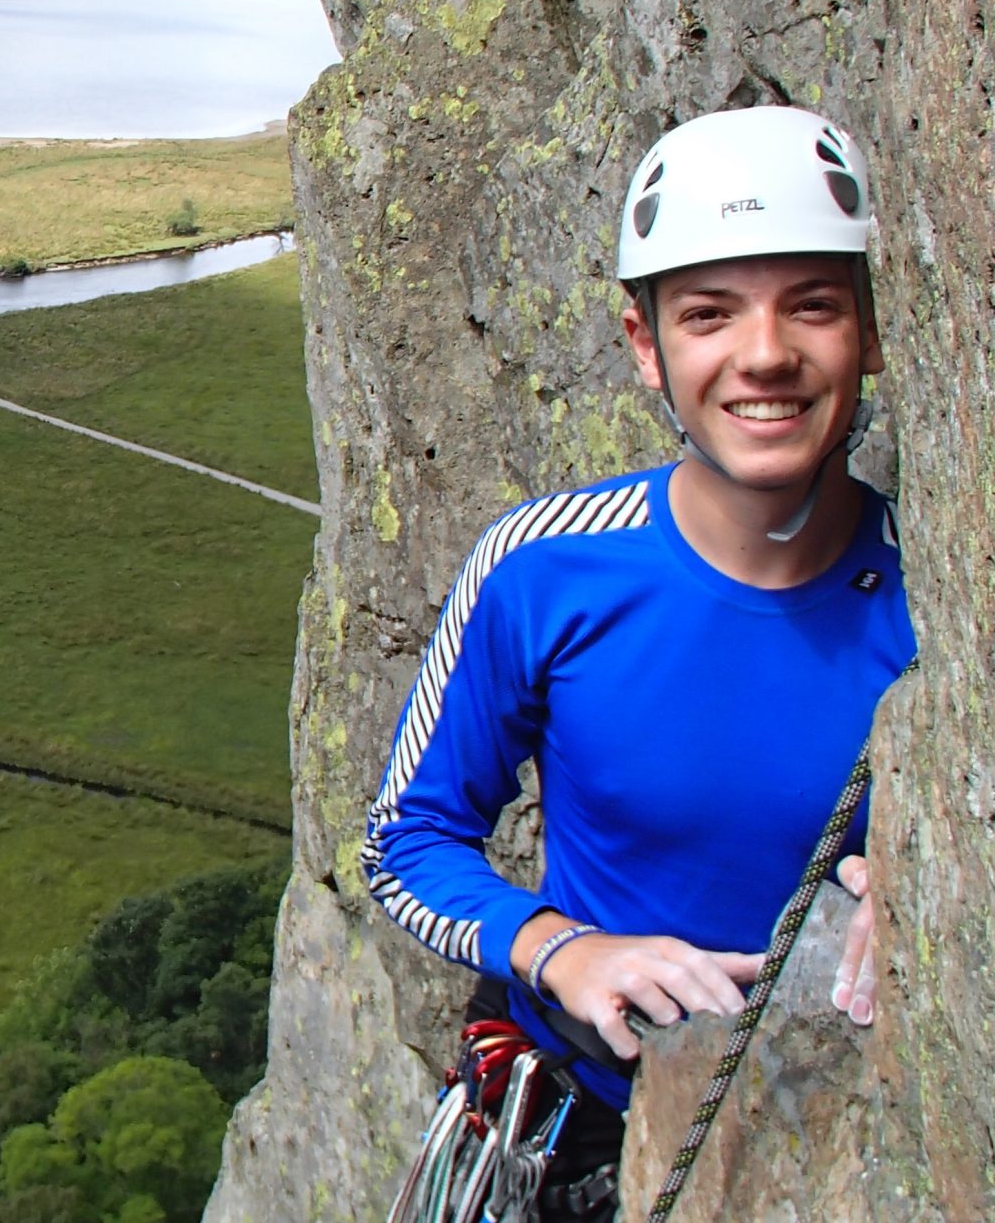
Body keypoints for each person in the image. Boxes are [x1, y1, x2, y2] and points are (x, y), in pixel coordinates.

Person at [361, 105, 918, 1218]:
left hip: (831, 1129)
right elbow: (404, 843)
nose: (764, 353)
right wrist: (561, 950)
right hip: (570, 1117)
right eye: (709, 314)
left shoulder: (938, 598)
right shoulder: (542, 570)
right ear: (644, 345)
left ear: (868, 330)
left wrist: (929, 893)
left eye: (811, 305)